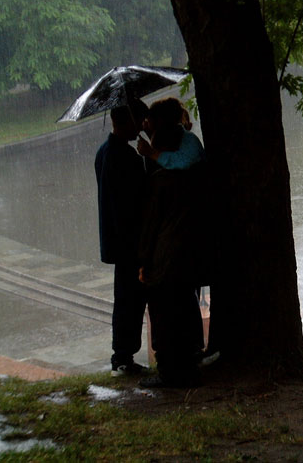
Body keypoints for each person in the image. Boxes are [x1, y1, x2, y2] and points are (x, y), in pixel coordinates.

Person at [137, 100, 209, 388]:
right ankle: (190, 363)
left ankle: (168, 371)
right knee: (186, 304)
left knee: (163, 309)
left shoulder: (161, 178)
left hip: (165, 254)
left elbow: (151, 224)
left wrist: (143, 261)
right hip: (190, 246)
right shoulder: (190, 162)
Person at [95, 98, 149, 377]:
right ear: (126, 120)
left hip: (117, 241)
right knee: (133, 301)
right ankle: (125, 356)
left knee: (124, 300)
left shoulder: (103, 152)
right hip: (132, 241)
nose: (142, 126)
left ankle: (122, 354)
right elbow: (138, 201)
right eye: (139, 121)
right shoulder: (126, 158)